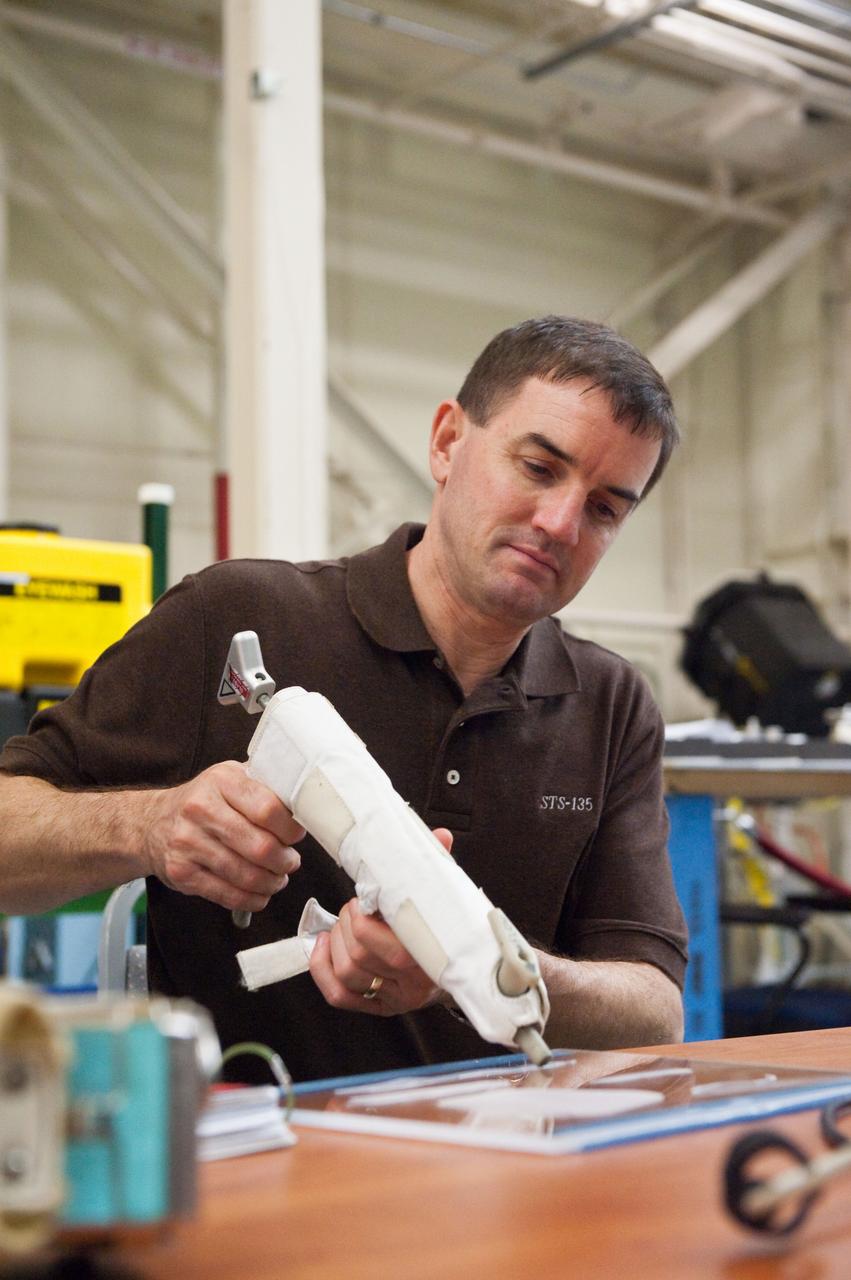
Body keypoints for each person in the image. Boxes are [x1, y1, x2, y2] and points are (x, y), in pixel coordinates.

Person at [0, 316, 687, 1083]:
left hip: (503, 1168)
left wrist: (485, 969)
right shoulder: (235, 616)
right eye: (537, 467)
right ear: (446, 442)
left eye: (604, 509)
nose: (559, 522)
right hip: (248, 1161)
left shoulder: (612, 703)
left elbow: (653, 1008)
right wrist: (149, 825)